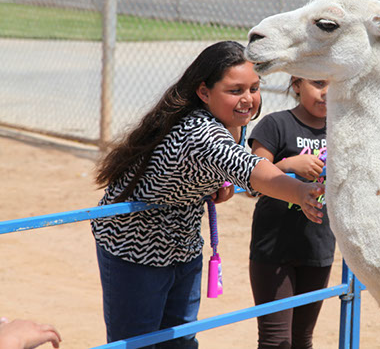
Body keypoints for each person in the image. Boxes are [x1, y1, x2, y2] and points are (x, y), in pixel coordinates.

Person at [91, 41, 324, 348]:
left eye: (254, 88)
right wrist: (300, 191)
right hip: (135, 248)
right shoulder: (199, 131)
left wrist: (219, 185)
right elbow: (249, 167)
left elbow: (229, 169)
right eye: (235, 90)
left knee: (181, 341)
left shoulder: (232, 123)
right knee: (137, 342)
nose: (248, 99)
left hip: (183, 246)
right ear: (204, 92)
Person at [247, 76, 336, 349]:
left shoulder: (342, 131)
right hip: (273, 250)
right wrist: (287, 165)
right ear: (296, 84)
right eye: (318, 83)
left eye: (335, 84)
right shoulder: (275, 125)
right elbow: (250, 183)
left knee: (302, 340)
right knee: (276, 341)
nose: (327, 92)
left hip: (318, 248)